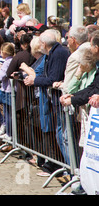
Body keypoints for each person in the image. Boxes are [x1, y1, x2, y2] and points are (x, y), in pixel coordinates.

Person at [24, 29, 71, 165]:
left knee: (63, 136)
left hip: (61, 99)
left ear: (44, 44)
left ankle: (71, 169)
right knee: (60, 134)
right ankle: (69, 168)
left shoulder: (58, 53)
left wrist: (34, 81)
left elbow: (53, 78)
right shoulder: (53, 53)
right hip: (56, 100)